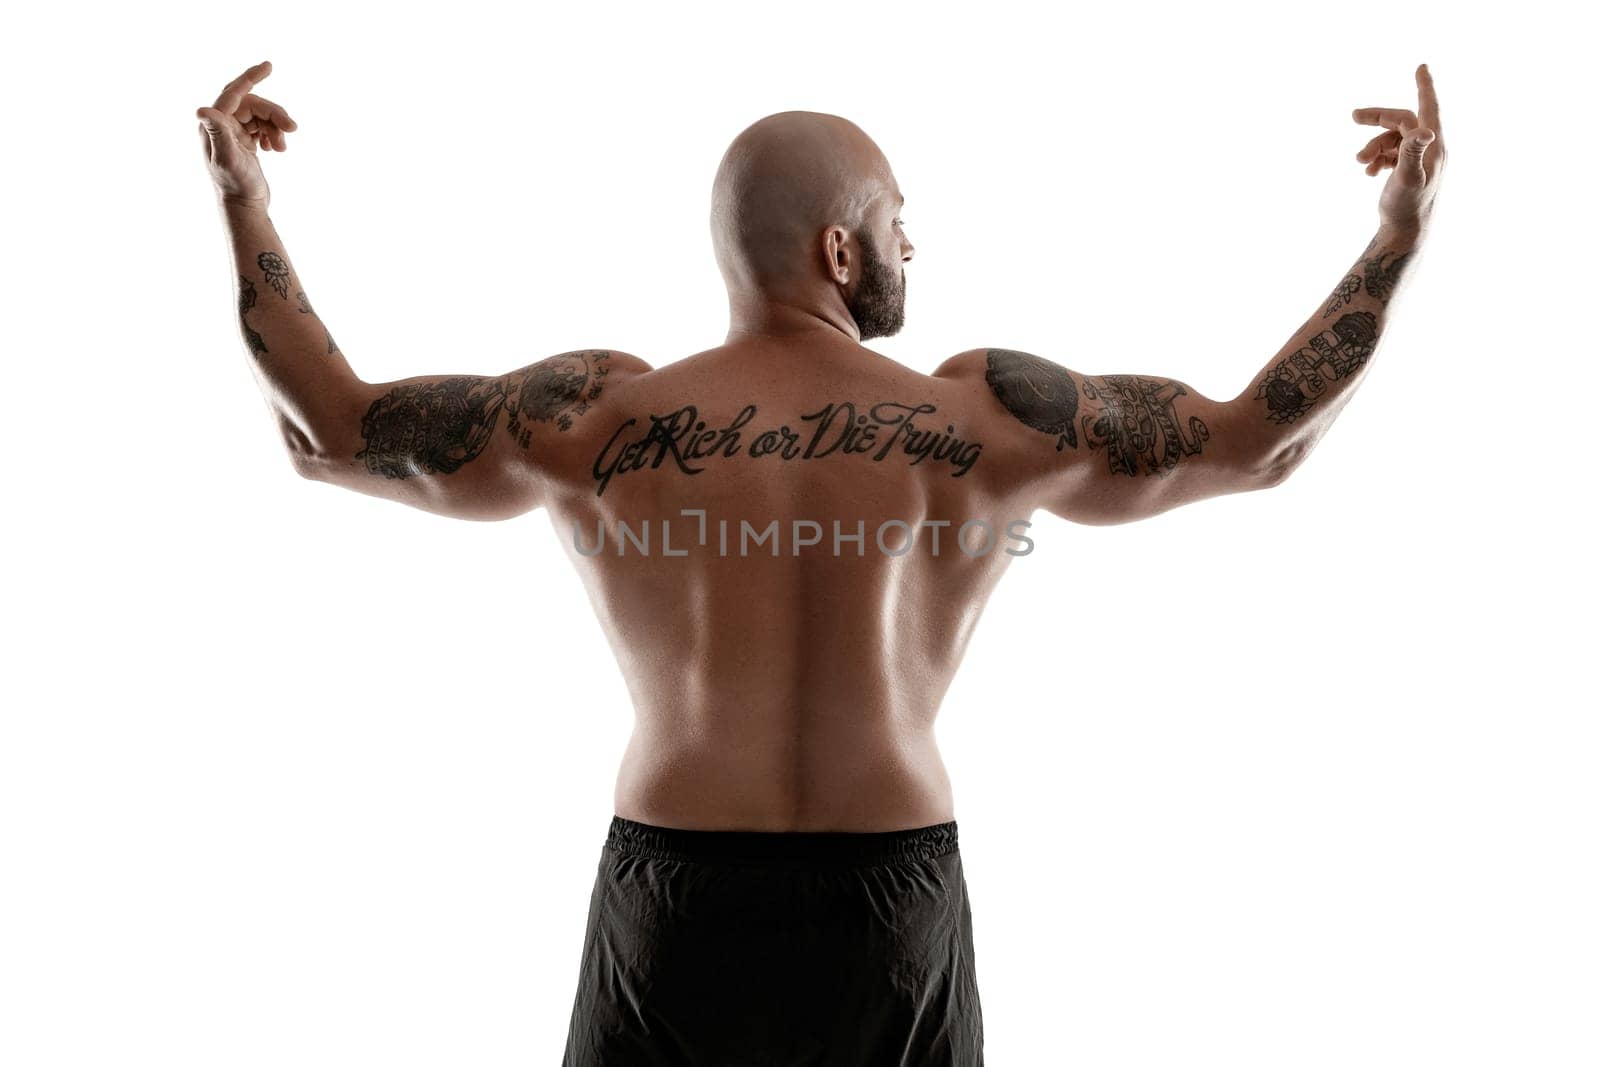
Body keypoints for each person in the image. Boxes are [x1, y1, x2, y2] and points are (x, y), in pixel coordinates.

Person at [195, 60, 1445, 1066]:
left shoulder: (598, 418)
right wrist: (1396, 236)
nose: (914, 246)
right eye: (899, 223)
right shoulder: (982, 419)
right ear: (841, 251)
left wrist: (245, 202)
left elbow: (328, 433)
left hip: (673, 887)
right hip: (886, 897)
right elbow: (1251, 444)